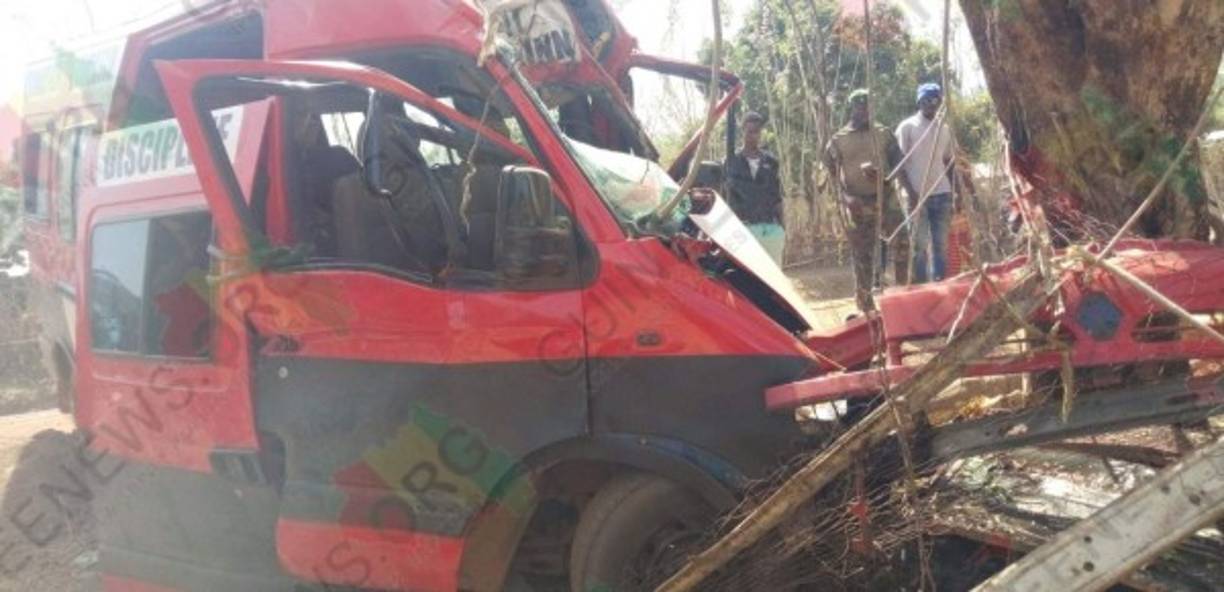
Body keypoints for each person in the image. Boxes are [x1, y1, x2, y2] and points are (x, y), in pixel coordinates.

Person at [823, 89, 911, 312]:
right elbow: (831, 176)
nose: (865, 112)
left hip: (886, 198)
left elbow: (899, 164)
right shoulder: (838, 141)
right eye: (861, 108)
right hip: (858, 204)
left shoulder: (883, 134)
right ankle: (865, 306)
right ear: (853, 109)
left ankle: (903, 297)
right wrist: (846, 198)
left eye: (868, 107)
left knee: (903, 244)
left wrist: (884, 177)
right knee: (863, 255)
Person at [896, 82, 956, 283]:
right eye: (927, 100)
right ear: (919, 102)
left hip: (942, 193)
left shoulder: (944, 129)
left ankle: (940, 284)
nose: (932, 104)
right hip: (916, 195)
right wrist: (910, 193)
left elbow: (948, 161)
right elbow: (899, 164)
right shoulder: (907, 127)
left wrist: (954, 192)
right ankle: (921, 286)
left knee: (941, 245)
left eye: (935, 100)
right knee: (919, 246)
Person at [725, 111, 785, 264]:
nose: (753, 136)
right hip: (743, 230)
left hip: (769, 229)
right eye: (749, 131)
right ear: (742, 131)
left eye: (756, 132)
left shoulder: (771, 162)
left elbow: (777, 197)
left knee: (772, 273)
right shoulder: (731, 161)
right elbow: (725, 196)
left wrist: (782, 228)